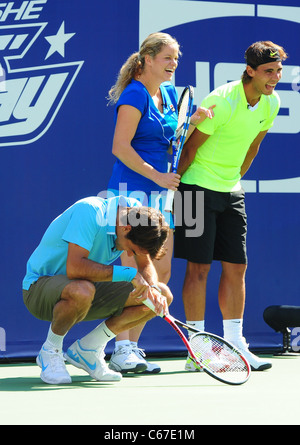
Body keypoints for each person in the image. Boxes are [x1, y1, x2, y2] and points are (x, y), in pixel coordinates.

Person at [174, 41, 288, 371]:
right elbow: (190, 150)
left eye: (278, 71)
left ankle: (235, 344)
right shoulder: (221, 102)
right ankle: (197, 350)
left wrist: (232, 181)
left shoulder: (272, 102)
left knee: (237, 266)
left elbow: (253, 148)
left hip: (231, 192)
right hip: (194, 190)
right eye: (269, 72)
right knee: (198, 268)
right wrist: (176, 189)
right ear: (250, 71)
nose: (275, 78)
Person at [106, 32, 214, 374]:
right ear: (148, 59)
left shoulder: (167, 93)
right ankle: (120, 347)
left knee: (160, 270)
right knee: (134, 270)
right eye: (167, 58)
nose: (174, 64)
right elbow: (120, 147)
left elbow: (172, 135)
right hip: (133, 191)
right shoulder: (134, 94)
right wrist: (156, 177)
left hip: (160, 195)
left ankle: (132, 347)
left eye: (176, 59)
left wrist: (193, 121)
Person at [22, 195, 173, 384]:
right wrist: (129, 273)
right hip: (39, 289)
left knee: (161, 295)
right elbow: (75, 268)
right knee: (82, 289)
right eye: (131, 249)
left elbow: (145, 264)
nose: (128, 254)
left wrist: (151, 289)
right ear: (126, 229)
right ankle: (50, 350)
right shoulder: (90, 212)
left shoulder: (135, 213)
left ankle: (88, 349)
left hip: (86, 288)